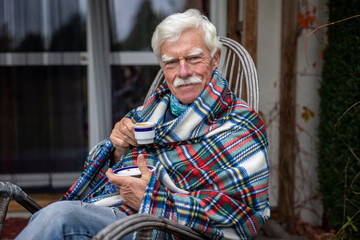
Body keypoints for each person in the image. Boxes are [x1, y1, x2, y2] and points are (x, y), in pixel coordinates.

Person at [16, 9, 270, 240]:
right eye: (171, 62)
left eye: (193, 58)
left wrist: (152, 200)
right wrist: (118, 149)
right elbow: (99, 172)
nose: (182, 72)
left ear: (215, 59)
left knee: (58, 218)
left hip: (159, 228)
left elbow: (243, 217)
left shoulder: (239, 125)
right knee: (53, 219)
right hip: (108, 210)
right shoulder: (148, 113)